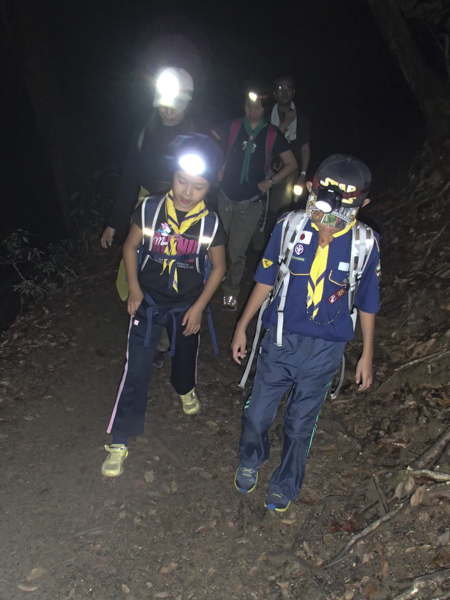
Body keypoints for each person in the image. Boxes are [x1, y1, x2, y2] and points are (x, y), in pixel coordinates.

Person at [231, 154, 380, 512]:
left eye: (341, 213)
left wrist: (367, 353)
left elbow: (367, 301)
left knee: (300, 424)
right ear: (312, 191)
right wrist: (242, 325)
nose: (328, 224)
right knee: (257, 414)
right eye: (322, 209)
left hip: (325, 351)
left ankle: (286, 482)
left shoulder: (365, 243)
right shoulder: (290, 226)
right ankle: (253, 455)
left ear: (362, 205)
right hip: (281, 338)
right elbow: (266, 277)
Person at [102, 133, 226, 477]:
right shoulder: (150, 209)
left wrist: (200, 306)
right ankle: (119, 440)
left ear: (209, 186)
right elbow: (129, 248)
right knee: (136, 369)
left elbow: (219, 267)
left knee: (185, 354)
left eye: (198, 187)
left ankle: (185, 388)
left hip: (187, 304)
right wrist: (135, 290)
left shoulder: (210, 223)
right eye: (182, 181)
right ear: (173, 174)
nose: (187, 192)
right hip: (150, 303)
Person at [101, 66, 195, 369]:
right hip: (146, 208)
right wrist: (114, 224)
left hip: (180, 212)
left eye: (176, 104)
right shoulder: (143, 134)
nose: (169, 111)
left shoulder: (196, 137)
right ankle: (145, 330)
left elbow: (205, 185)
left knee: (167, 274)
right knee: (132, 273)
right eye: (164, 103)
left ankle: (161, 339)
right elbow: (128, 179)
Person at [212, 87, 297, 312]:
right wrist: (216, 166)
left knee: (237, 251)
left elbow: (292, 163)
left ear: (265, 109)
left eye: (257, 107)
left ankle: (231, 291)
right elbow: (210, 139)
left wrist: (271, 182)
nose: (252, 111)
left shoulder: (271, 134)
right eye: (249, 106)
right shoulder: (233, 126)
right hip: (225, 198)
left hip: (251, 203)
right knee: (214, 244)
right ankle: (206, 283)